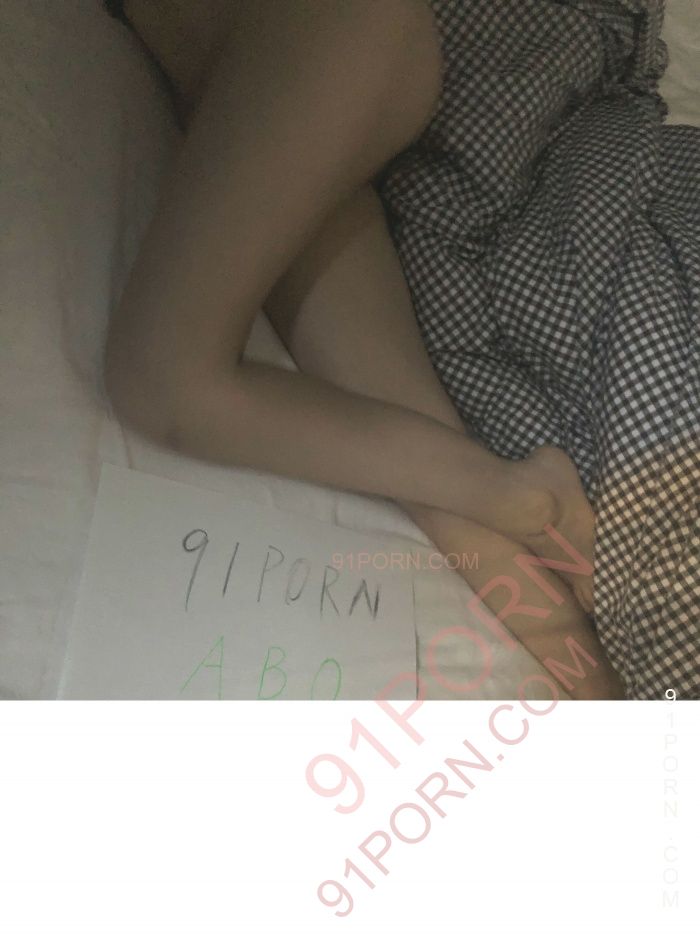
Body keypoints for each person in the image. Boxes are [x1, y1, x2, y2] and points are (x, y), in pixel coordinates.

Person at [103, 0, 624, 698]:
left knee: (162, 382)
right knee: (391, 421)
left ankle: (515, 497)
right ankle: (566, 635)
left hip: (328, 36)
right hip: (290, 61)